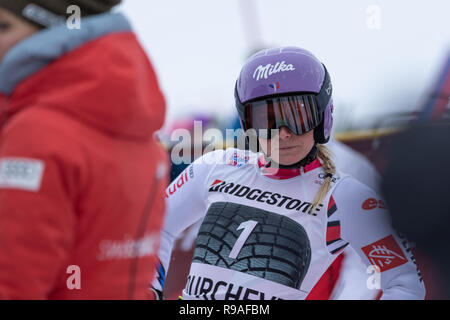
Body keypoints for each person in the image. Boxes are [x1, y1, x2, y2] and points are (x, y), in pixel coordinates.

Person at [151, 46, 425, 300]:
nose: (282, 133)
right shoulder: (216, 166)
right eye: (266, 120)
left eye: (297, 117)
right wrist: (150, 289)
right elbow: (154, 227)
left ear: (322, 118)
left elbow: (404, 282)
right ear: (247, 123)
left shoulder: (346, 196)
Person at [0, 0, 168, 299]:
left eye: (3, 26)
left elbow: (12, 283)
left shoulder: (37, 133)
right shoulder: (141, 136)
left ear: (49, 32)